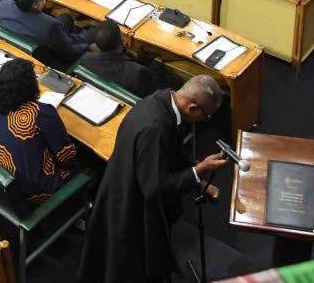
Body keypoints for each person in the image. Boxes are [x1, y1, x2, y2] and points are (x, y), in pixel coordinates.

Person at [78, 75, 228, 283]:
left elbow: (171, 158)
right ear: (193, 108)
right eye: (206, 116)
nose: (204, 121)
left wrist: (198, 183)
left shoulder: (164, 99)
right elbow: (155, 187)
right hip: (130, 208)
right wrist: (199, 169)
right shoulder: (155, 129)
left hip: (123, 180)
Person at [0, 57, 79, 201]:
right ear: (30, 86)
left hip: (6, 184)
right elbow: (67, 156)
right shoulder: (40, 113)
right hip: (38, 190)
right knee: (90, 166)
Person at [0, 0, 97, 70]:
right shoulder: (49, 25)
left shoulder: (3, 4)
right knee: (93, 33)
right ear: (35, 5)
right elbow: (68, 54)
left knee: (66, 18)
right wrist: (88, 47)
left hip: (27, 41)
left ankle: (66, 38)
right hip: (53, 59)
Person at [78, 20, 160, 98]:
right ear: (123, 40)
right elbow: (155, 96)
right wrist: (151, 62)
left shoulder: (85, 60)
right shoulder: (138, 72)